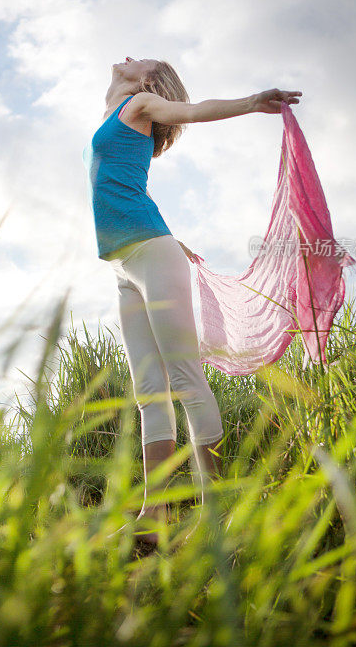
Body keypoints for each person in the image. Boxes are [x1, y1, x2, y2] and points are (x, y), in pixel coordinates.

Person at [83, 56, 302, 547]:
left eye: (139, 61)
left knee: (184, 377)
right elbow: (124, 187)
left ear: (147, 82)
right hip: (124, 264)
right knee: (148, 392)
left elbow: (195, 110)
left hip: (149, 254)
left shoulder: (140, 104)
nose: (127, 57)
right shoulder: (114, 113)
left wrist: (251, 103)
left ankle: (217, 519)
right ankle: (153, 519)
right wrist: (172, 238)